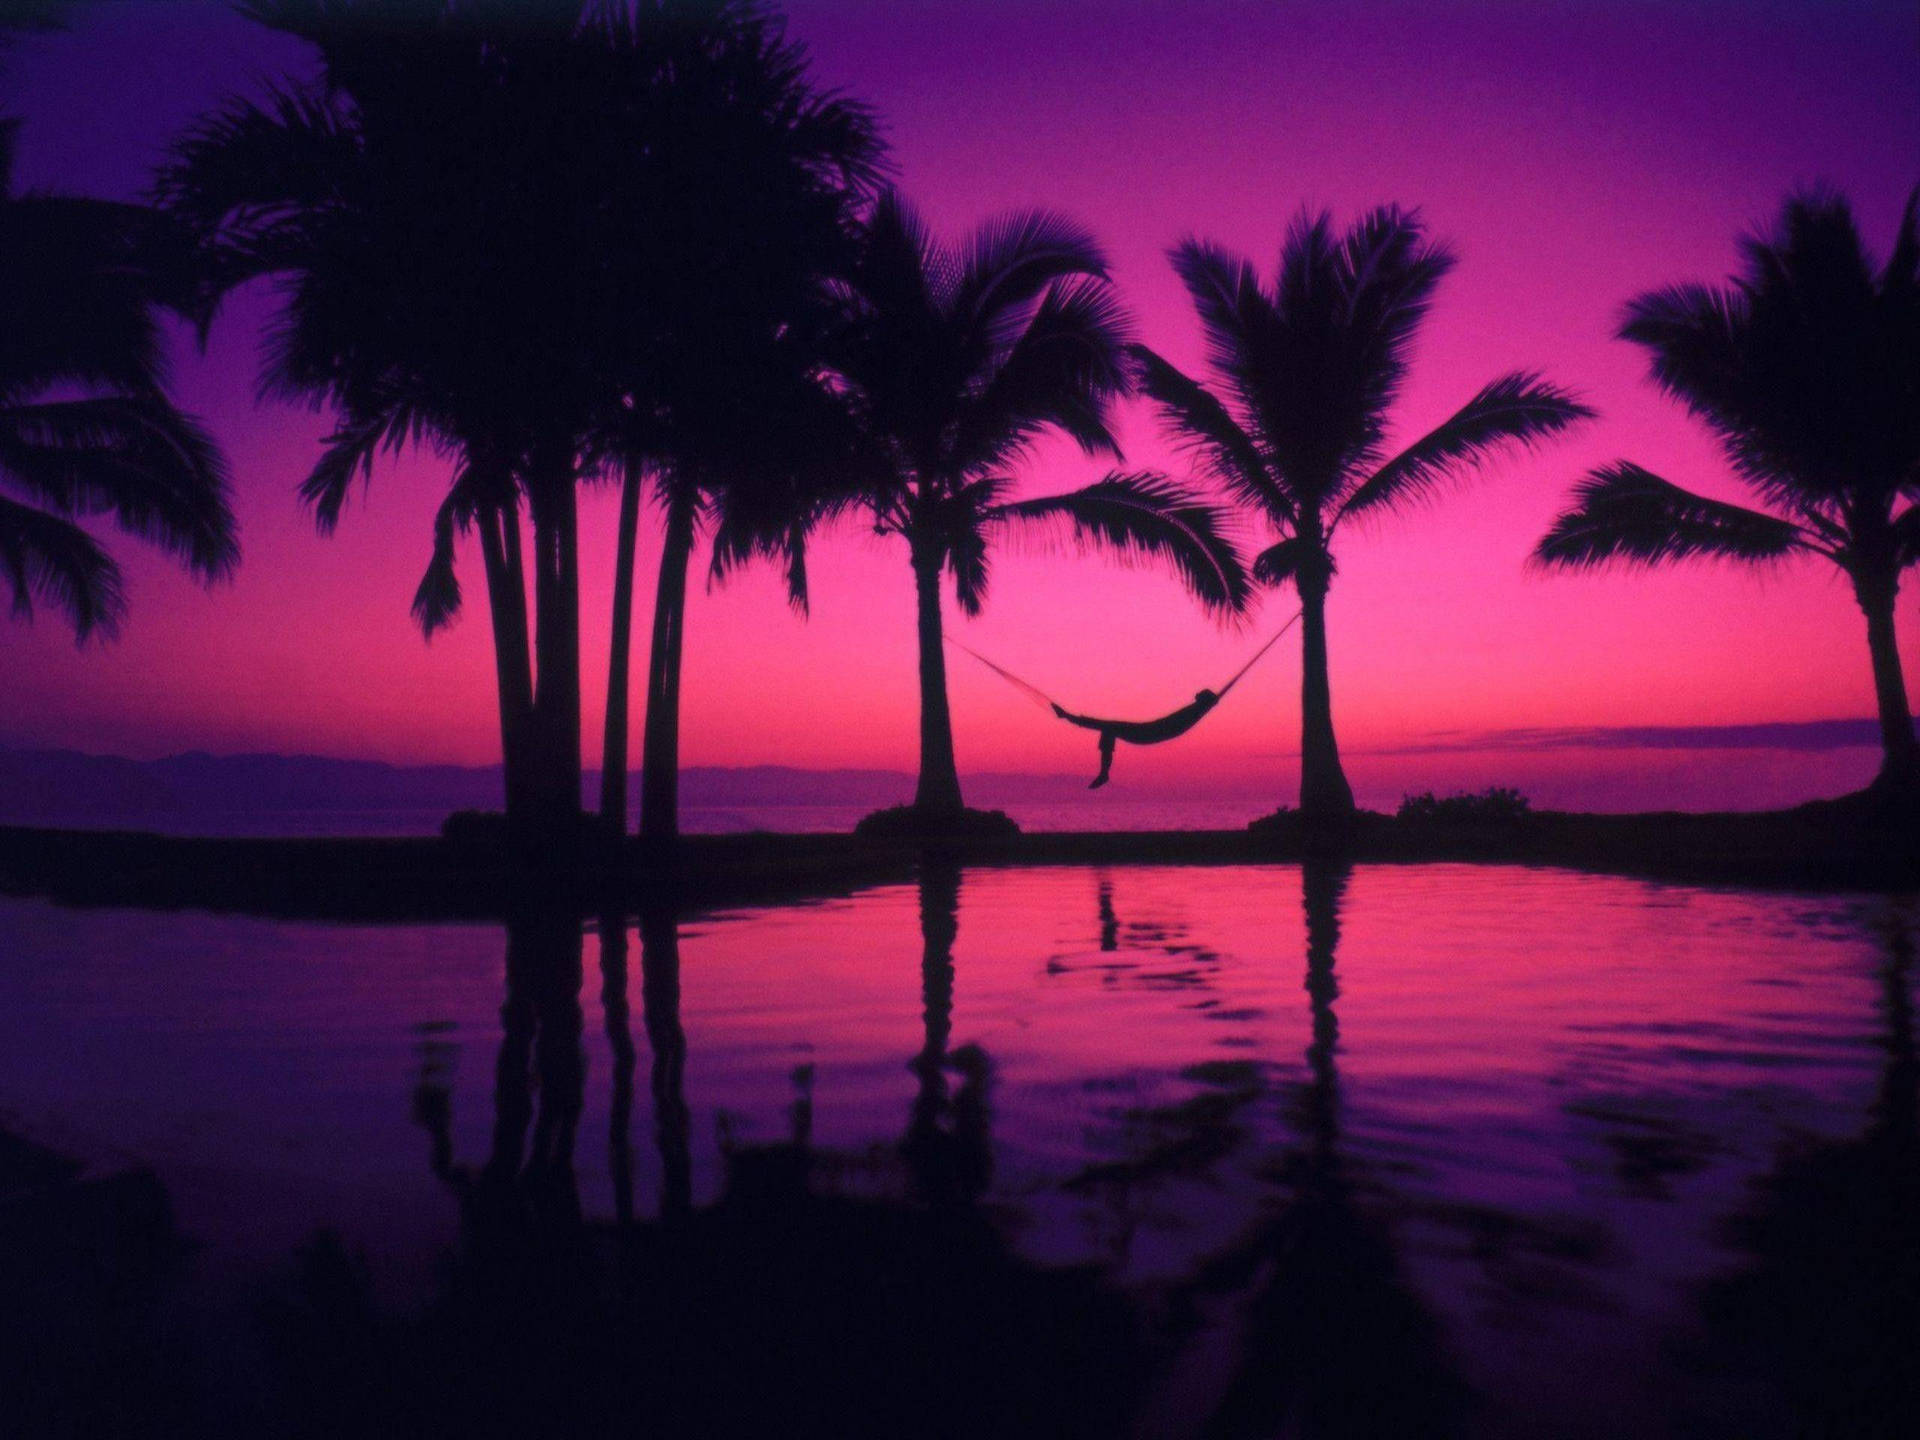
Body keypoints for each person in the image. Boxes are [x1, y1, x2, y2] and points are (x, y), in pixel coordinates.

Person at [1052, 690, 1219, 789]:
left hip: (1149, 732)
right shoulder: (1195, 710)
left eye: (1199, 696)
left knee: (1108, 726)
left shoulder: (1195, 710)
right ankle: (1103, 772)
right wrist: (1210, 702)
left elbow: (1206, 703)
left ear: (1203, 700)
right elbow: (1207, 702)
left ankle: (1068, 717)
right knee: (1108, 728)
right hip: (1150, 731)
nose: (1195, 695)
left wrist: (1210, 702)